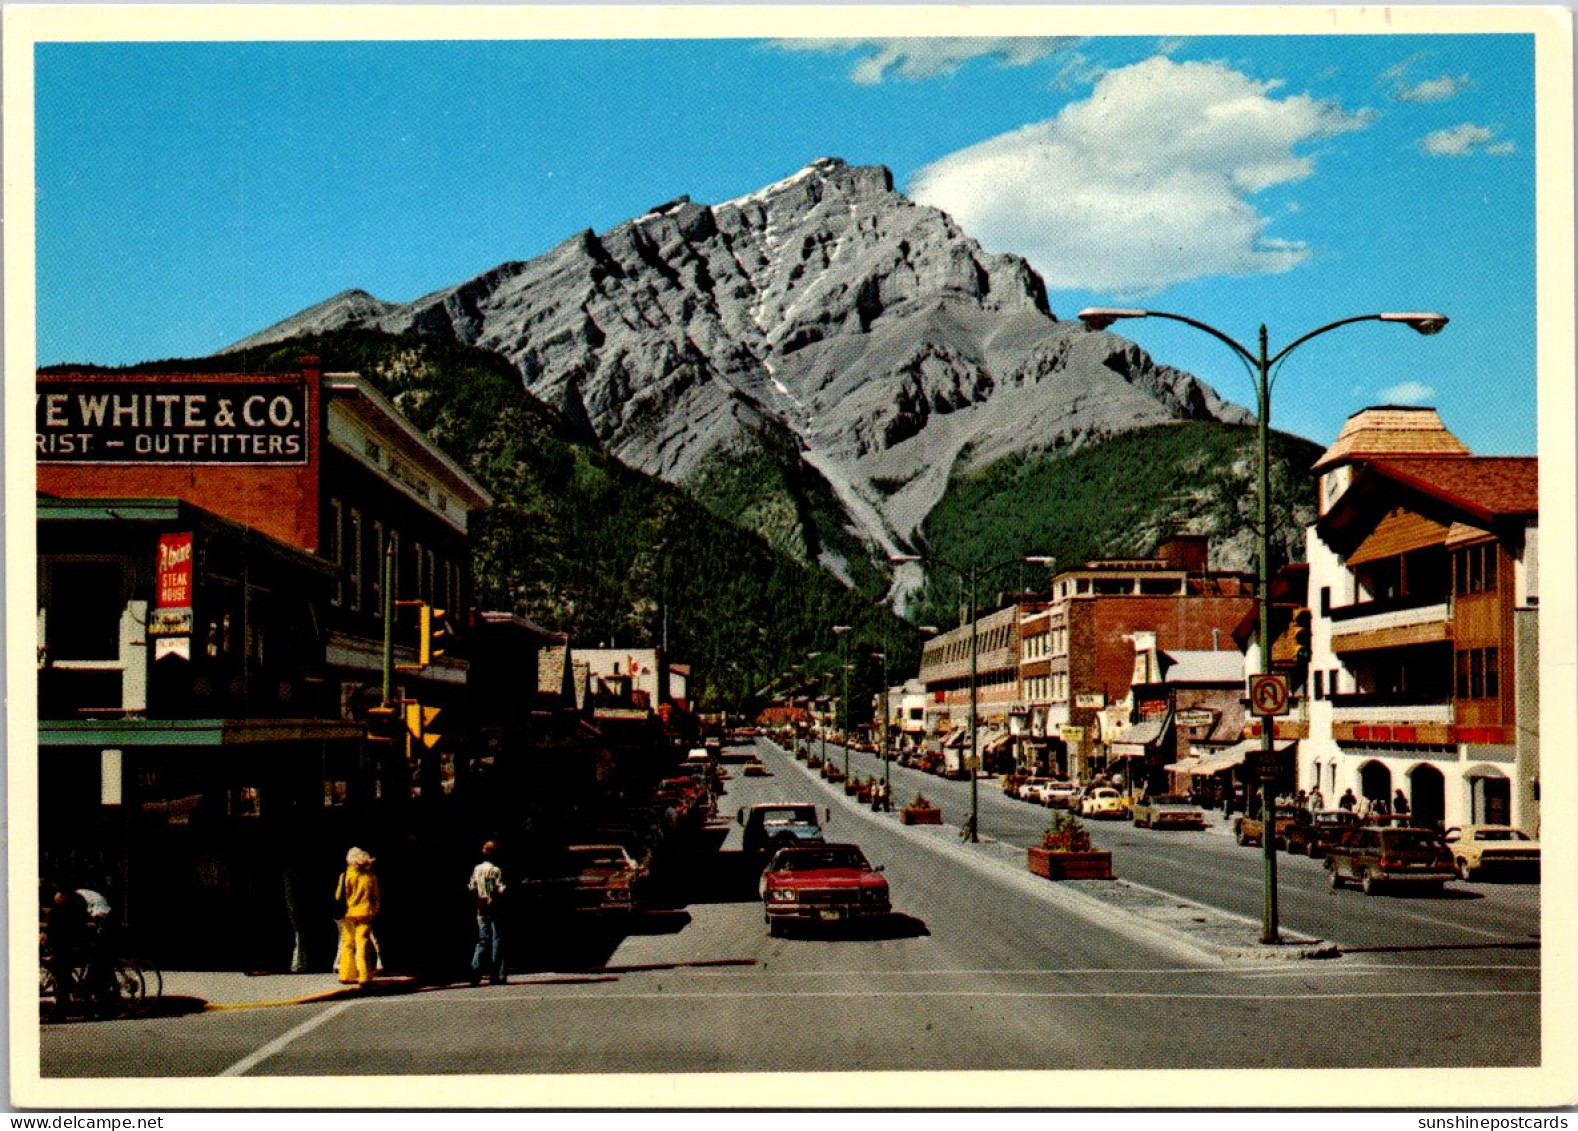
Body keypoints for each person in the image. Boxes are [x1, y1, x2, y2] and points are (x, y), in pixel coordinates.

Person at [335, 847, 381, 986]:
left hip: (348, 914)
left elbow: (338, 896)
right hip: (365, 913)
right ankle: (364, 975)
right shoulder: (370, 877)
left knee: (347, 943)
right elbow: (376, 897)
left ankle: (346, 974)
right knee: (362, 944)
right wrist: (375, 909)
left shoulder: (345, 876)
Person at [468, 840, 507, 986]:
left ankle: (475, 971)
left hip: (481, 905)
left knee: (482, 939)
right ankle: (497, 974)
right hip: (495, 906)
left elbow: (472, 887)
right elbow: (500, 888)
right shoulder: (496, 870)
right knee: (497, 939)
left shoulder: (477, 869)